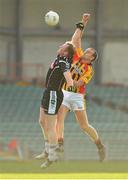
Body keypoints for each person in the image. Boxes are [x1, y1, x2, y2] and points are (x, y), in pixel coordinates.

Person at [56, 13, 106, 162]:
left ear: (92, 58)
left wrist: (69, 80)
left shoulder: (89, 70)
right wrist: (82, 23)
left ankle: (99, 145)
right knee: (60, 117)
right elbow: (76, 40)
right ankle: (60, 144)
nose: (85, 51)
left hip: (77, 96)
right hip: (65, 92)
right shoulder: (77, 56)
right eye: (86, 50)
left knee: (84, 126)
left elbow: (79, 84)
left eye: (89, 52)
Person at [37, 42, 75, 168]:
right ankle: (48, 149)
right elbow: (73, 43)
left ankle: (52, 155)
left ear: (66, 52)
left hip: (54, 94)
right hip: (48, 92)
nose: (61, 45)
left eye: (63, 46)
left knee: (51, 126)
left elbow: (68, 78)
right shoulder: (59, 59)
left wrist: (70, 83)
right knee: (42, 121)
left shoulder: (64, 62)